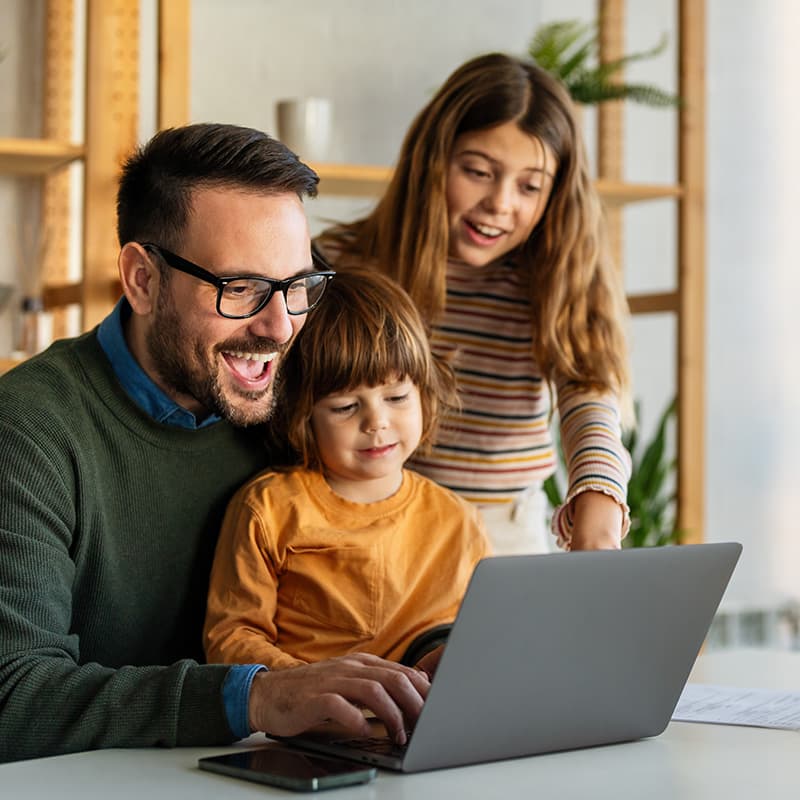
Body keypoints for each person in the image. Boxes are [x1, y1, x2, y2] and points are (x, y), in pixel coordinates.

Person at [0, 123, 429, 764]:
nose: (280, 326)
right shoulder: (30, 428)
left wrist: (432, 654)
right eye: (241, 289)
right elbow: (12, 696)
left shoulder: (302, 402)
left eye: (297, 286)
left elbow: (370, 566)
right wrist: (255, 698)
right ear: (142, 279)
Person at [316, 52, 633, 555]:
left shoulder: (555, 273)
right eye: (479, 171)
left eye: (530, 186)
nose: (501, 203)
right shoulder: (344, 263)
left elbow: (587, 391)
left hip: (505, 534)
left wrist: (599, 497)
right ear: (433, 161)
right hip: (368, 530)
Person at [203, 268, 491, 672]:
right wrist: (304, 687)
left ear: (425, 394)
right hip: (309, 725)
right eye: (345, 407)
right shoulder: (268, 509)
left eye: (396, 397)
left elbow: (478, 640)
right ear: (303, 416)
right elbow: (231, 638)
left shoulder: (459, 522)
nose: (377, 422)